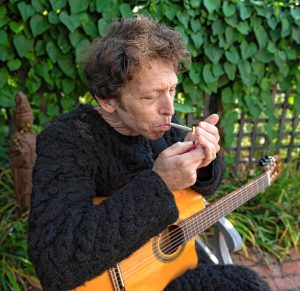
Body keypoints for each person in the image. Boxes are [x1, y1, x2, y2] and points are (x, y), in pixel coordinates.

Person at [28, 16, 271, 291]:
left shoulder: (161, 124)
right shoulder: (68, 140)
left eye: (172, 89)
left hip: (173, 271)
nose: (169, 108)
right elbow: (56, 260)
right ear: (107, 99)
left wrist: (205, 161)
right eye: (149, 97)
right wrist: (161, 184)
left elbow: (203, 189)